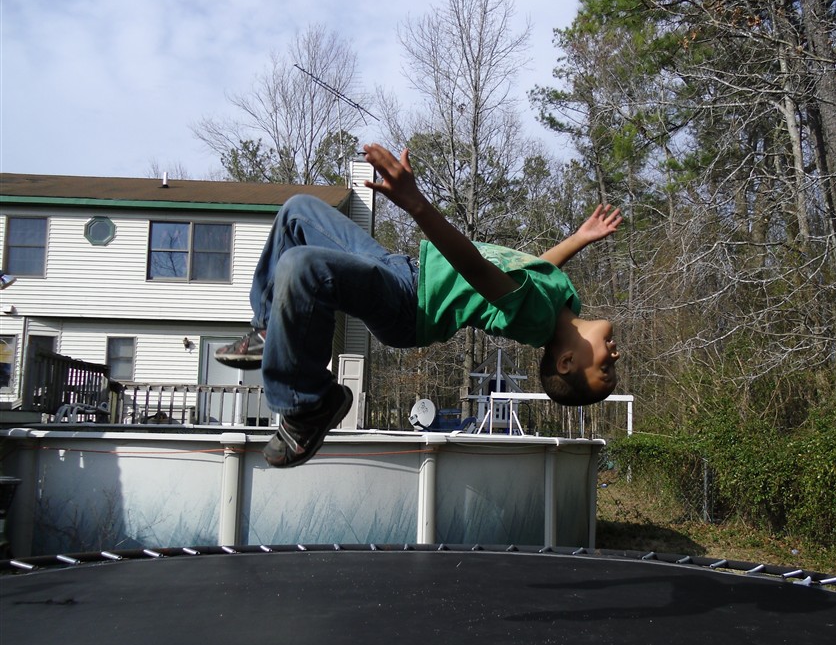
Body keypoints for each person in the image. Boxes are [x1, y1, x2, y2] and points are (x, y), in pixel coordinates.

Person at [217, 143, 622, 467]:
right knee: (298, 212)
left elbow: (476, 269)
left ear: (566, 361)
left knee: (302, 267)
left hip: (409, 307)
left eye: (605, 369)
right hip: (404, 272)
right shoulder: (562, 303)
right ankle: (270, 330)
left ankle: (307, 404)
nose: (615, 357)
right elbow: (533, 268)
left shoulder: (539, 321)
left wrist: (416, 203)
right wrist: (580, 237)